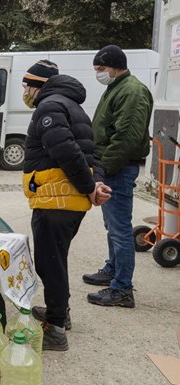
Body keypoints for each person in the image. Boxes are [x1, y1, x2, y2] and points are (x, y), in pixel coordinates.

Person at [20, 60, 111, 351]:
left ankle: (56, 329)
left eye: (26, 85)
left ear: (40, 85)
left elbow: (67, 151)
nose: (24, 91)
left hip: (55, 200)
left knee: (50, 263)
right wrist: (96, 184)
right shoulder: (73, 106)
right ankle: (61, 313)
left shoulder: (50, 106)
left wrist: (89, 186)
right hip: (67, 201)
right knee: (56, 260)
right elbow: (91, 152)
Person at [82, 45, 153, 308]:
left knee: (120, 229)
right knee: (112, 226)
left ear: (115, 66)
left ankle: (122, 289)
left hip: (117, 168)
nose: (98, 74)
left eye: (101, 69)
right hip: (111, 167)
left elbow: (127, 137)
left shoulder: (131, 91)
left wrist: (105, 169)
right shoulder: (117, 87)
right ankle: (113, 270)